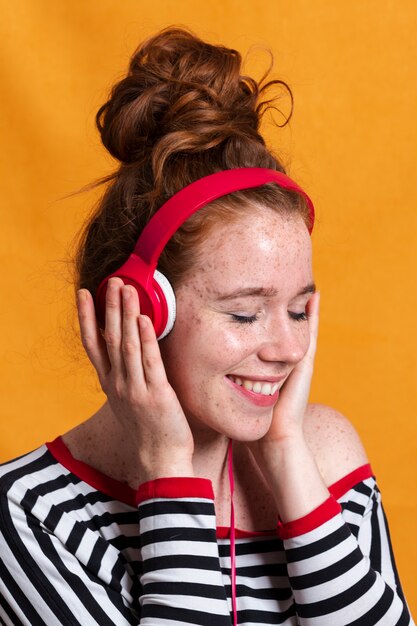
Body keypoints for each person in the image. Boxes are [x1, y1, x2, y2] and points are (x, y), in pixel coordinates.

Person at [0, 26, 414, 626]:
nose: (288, 348)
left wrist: (288, 459)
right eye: (245, 312)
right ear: (141, 310)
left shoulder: (323, 456)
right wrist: (168, 470)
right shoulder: (27, 517)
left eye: (299, 310)